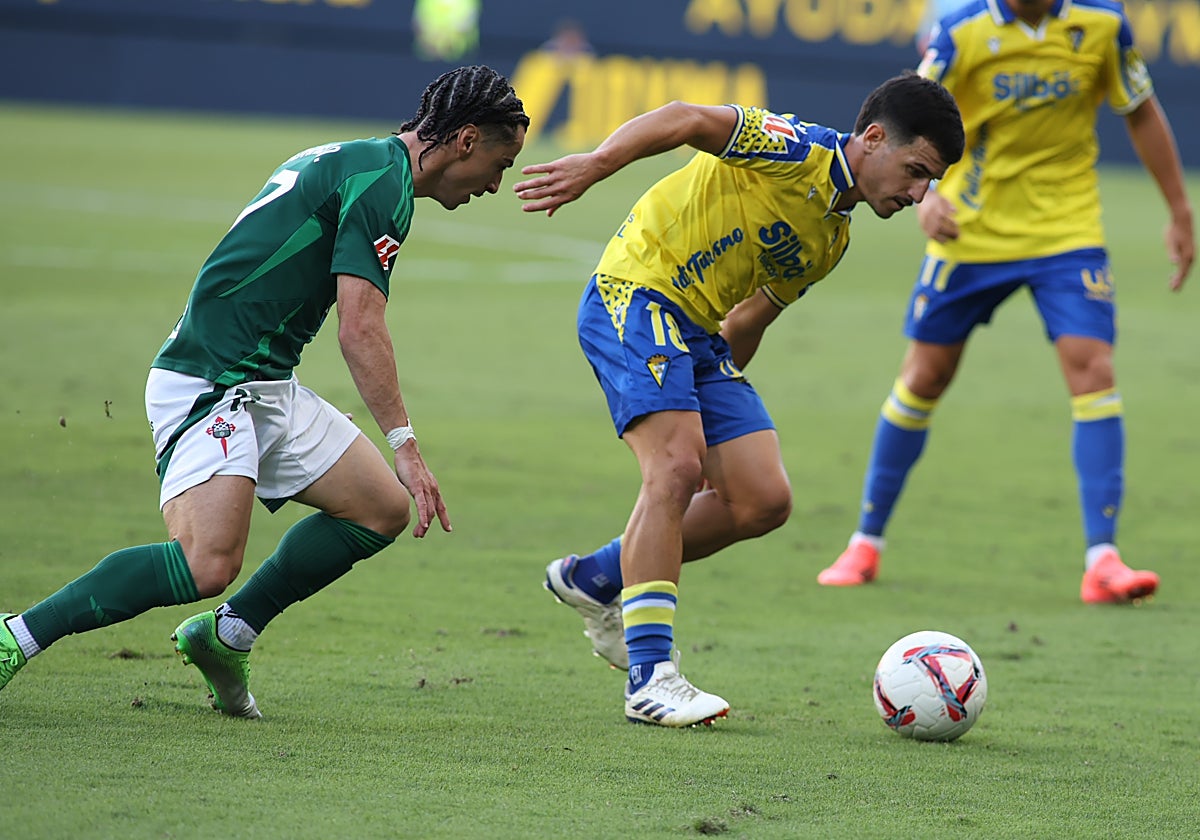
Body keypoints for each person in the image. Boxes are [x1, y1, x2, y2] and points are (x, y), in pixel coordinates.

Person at [0, 65, 529, 716]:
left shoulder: (362, 162)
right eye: (501, 164)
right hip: (211, 380)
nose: (496, 184)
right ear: (467, 140)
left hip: (264, 381)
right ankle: (15, 636)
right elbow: (360, 328)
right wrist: (406, 446)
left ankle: (229, 635)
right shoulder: (382, 184)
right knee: (207, 564)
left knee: (381, 509)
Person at [514, 73, 965, 727]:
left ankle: (596, 578)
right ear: (872, 138)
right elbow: (686, 117)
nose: (920, 193)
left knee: (761, 499)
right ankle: (650, 677)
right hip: (636, 291)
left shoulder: (831, 240)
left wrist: (710, 418)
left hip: (699, 334)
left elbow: (749, 321)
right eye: (916, 171)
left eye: (931, 183)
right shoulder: (792, 147)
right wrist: (597, 164)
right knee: (674, 468)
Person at [817, 0, 1195, 602]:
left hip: (1066, 232)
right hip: (971, 231)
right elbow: (906, 113)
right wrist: (928, 197)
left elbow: (1141, 111)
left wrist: (1178, 210)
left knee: (1094, 369)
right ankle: (865, 542)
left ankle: (1102, 560)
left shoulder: (1103, 25)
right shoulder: (962, 31)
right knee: (925, 376)